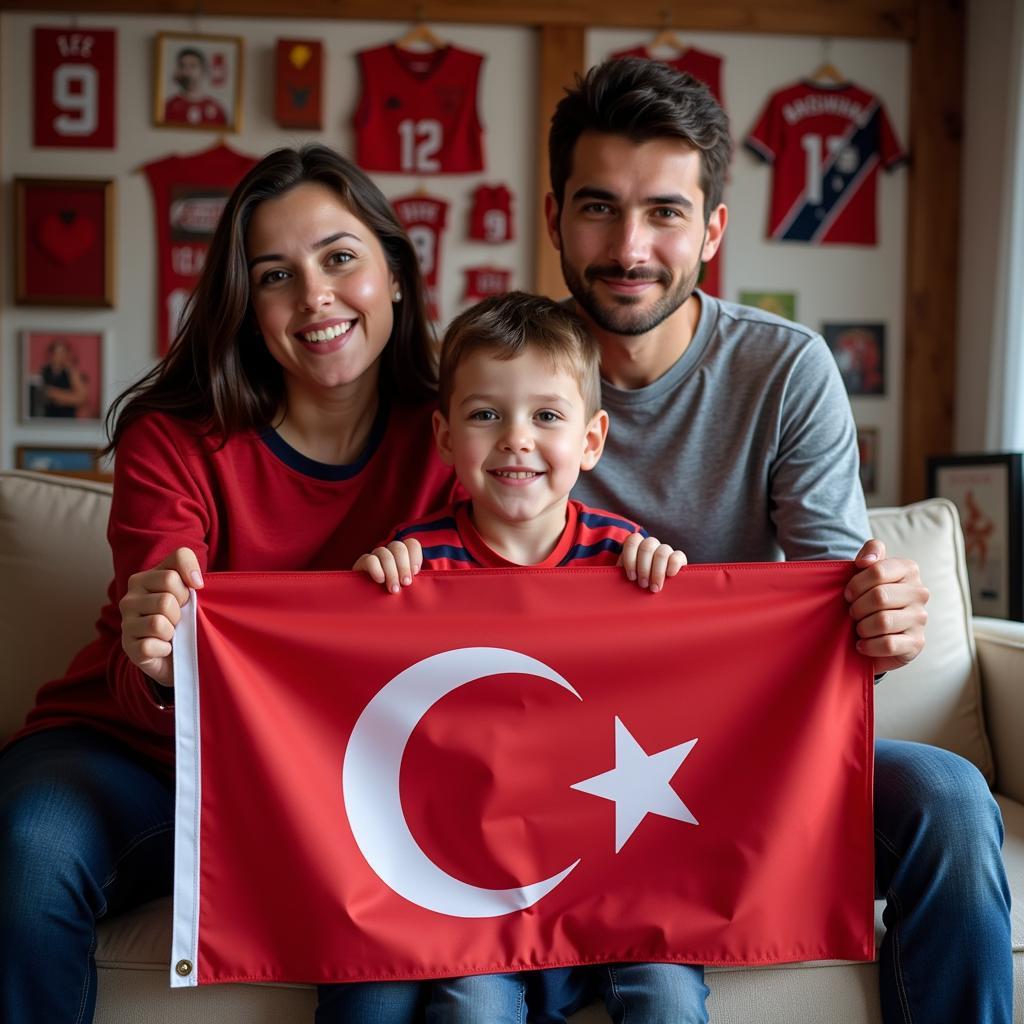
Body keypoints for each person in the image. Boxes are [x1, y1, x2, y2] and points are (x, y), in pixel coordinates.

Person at [539, 57, 1012, 1023]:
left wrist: (879, 623)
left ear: (712, 230)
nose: (630, 245)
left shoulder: (784, 368)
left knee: (954, 799)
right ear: (553, 217)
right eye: (598, 207)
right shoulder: (496, 366)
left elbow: (840, 613)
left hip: (749, 751)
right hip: (542, 756)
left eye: (666, 212)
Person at [0, 144, 461, 1024]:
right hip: (143, 755)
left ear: (395, 275)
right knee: (30, 849)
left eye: (340, 258)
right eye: (276, 275)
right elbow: (155, 659)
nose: (315, 296)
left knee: (389, 949)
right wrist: (164, 658)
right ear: (248, 308)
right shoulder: (173, 439)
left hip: (351, 777)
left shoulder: (460, 438)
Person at [351, 290, 694, 1022]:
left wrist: (676, 594)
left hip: (616, 877)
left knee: (667, 996)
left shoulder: (628, 565)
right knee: (471, 1007)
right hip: (476, 887)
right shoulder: (415, 571)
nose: (515, 438)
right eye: (486, 415)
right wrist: (370, 601)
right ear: (444, 437)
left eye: (546, 415)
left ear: (592, 439)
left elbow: (697, 687)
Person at [164, 46, 228, 127]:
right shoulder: (169, 106)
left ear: (203, 70)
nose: (187, 71)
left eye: (193, 66)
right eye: (182, 66)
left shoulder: (216, 108)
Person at [36, 338, 89, 418]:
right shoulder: (43, 371)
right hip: (47, 417)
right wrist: (68, 397)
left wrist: (54, 394)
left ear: (67, 354)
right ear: (50, 354)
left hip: (67, 418)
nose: (58, 356)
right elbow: (40, 395)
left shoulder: (72, 372)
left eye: (62, 352)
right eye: (55, 352)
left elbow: (80, 398)